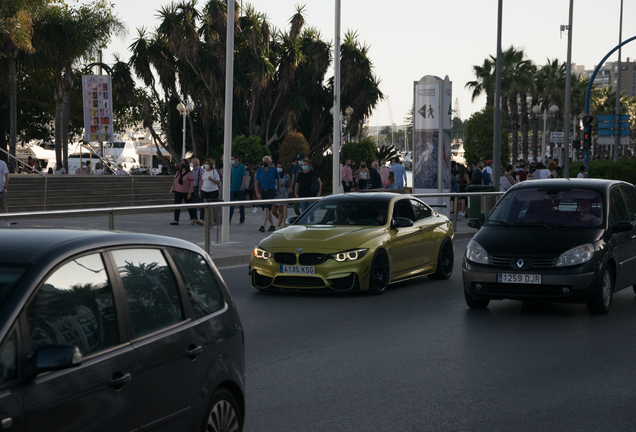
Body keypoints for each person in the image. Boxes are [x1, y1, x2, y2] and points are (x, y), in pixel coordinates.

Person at [255, 155, 280, 232]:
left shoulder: (274, 170)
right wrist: (257, 192)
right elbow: (256, 182)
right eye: (264, 162)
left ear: (270, 162)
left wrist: (278, 190)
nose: (264, 163)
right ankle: (272, 225)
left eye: (266, 162)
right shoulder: (259, 171)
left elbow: (278, 180)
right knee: (267, 210)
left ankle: (263, 225)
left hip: (271, 191)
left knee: (266, 208)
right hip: (263, 191)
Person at [170, 158, 197, 225]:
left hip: (186, 191)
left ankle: (193, 218)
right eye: (182, 163)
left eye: (184, 163)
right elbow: (176, 181)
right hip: (178, 191)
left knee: (189, 206)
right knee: (177, 205)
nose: (182, 164)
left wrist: (190, 192)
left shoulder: (189, 173)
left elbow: (191, 183)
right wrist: (175, 178)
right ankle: (176, 220)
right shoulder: (178, 172)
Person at [197, 158, 221, 225]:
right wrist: (200, 190)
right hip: (204, 190)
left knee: (212, 206)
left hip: (213, 190)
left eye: (207, 164)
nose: (206, 165)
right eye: (205, 164)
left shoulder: (214, 171)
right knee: (203, 205)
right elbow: (202, 181)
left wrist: (212, 179)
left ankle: (213, 220)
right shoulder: (203, 172)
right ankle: (201, 219)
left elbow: (218, 181)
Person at [271, 162, 291, 229]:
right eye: (278, 167)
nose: (279, 168)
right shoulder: (274, 175)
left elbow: (288, 185)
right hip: (275, 192)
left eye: (280, 167)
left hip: (283, 192)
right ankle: (282, 219)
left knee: (280, 209)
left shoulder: (286, 176)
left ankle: (278, 225)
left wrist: (289, 189)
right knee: (273, 210)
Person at [229, 154, 247, 225]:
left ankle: (242, 220)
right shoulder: (231, 167)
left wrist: (242, 187)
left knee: (241, 205)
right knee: (231, 205)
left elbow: (244, 177)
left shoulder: (242, 167)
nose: (232, 161)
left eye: (233, 159)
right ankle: (229, 220)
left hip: (240, 189)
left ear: (236, 159)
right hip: (233, 189)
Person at [0, 159, 9, 227]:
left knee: (3, 205)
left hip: (1, 189)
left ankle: (6, 221)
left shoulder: (2, 163)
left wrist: (5, 187)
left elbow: (6, 176)